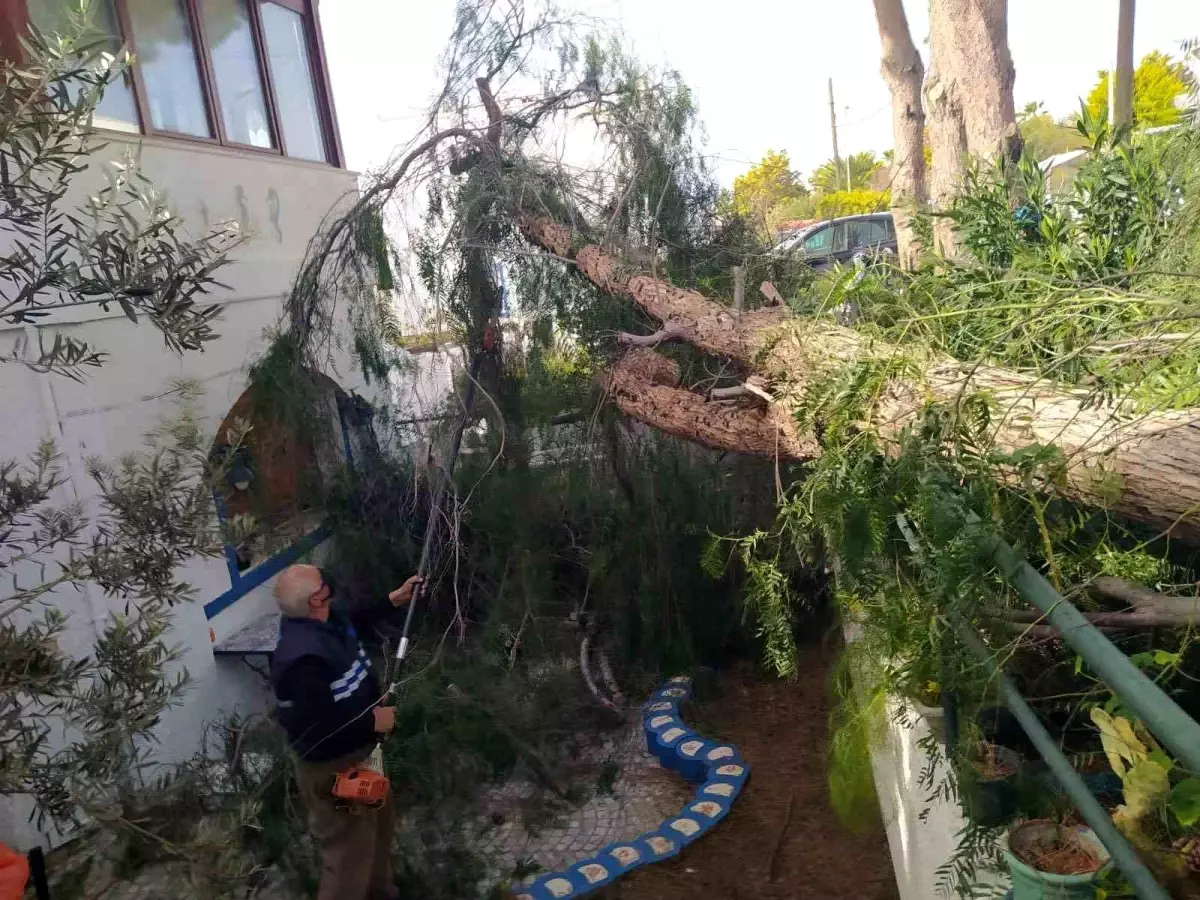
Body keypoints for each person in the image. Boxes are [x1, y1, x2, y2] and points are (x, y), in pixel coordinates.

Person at [270, 563, 421, 900]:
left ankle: (381, 892)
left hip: (361, 753)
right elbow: (315, 726)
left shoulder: (323, 620)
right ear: (316, 599)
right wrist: (373, 722)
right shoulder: (301, 661)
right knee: (349, 853)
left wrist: (393, 600)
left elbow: (351, 616)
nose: (329, 581)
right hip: (335, 767)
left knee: (377, 830)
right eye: (323, 581)